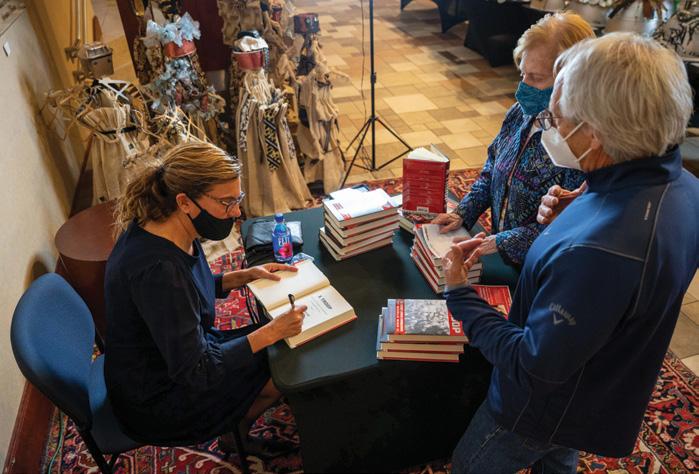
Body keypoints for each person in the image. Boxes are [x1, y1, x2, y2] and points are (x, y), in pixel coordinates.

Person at [442, 33, 699, 473]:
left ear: (594, 134)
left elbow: (531, 367)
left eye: (557, 118)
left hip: (538, 409)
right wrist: (579, 210)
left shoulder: (600, 251)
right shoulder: (685, 188)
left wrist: (460, 294)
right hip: (593, 389)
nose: (552, 128)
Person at [104, 142, 307, 453]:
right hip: (157, 397)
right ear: (185, 201)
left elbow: (185, 294)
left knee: (275, 344)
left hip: (174, 356)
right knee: (280, 361)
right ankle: (235, 433)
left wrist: (242, 276)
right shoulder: (158, 271)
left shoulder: (168, 227)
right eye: (227, 202)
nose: (237, 212)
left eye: (237, 199)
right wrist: (271, 332)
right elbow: (197, 370)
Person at [432, 12, 594, 290]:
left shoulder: (581, 144)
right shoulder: (521, 113)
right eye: (522, 74)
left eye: (536, 78)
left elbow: (565, 227)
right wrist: (464, 212)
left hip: (541, 271)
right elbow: (491, 170)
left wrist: (500, 242)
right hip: (500, 257)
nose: (523, 88)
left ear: (572, 81)